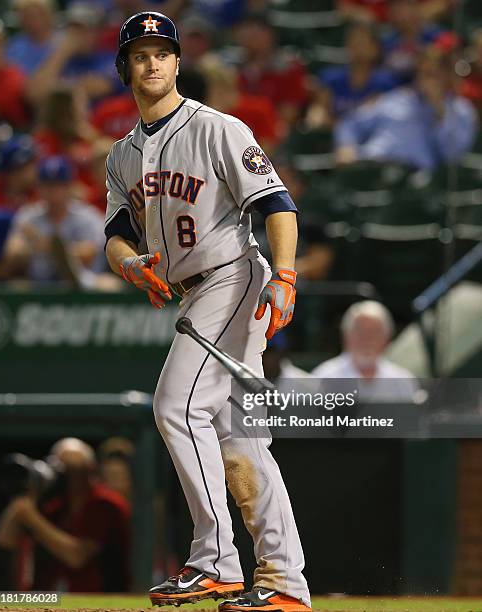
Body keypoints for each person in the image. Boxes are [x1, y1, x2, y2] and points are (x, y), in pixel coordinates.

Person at [104, 11, 311, 612]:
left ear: (176, 62)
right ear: (126, 68)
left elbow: (278, 203)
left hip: (233, 276)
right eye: (140, 53)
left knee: (176, 405)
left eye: (161, 52)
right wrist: (127, 263)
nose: (152, 62)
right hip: (194, 292)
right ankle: (284, 584)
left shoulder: (218, 127)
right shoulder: (121, 155)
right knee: (237, 438)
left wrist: (288, 274)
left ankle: (214, 560)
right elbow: (117, 231)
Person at [0, 437, 131, 591]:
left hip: (102, 598)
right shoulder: (55, 507)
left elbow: (77, 557)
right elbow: (4, 540)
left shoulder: (106, 503)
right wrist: (21, 503)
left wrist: (31, 517)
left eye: (72, 469)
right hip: (53, 599)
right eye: (59, 468)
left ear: (89, 469)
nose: (66, 476)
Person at [335, 46, 477, 169]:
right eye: (422, 73)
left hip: (413, 179)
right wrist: (346, 145)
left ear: (447, 76)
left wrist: (439, 111)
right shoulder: (396, 99)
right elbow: (350, 123)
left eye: (432, 74)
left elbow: (451, 158)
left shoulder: (461, 110)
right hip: (374, 163)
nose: (426, 80)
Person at [1, 155, 106, 287]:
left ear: (69, 187)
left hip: (83, 283)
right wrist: (24, 248)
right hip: (38, 283)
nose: (54, 192)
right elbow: (13, 253)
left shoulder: (88, 215)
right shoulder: (28, 215)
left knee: (108, 284)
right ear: (39, 188)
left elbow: (89, 253)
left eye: (59, 185)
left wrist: (46, 246)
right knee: (16, 286)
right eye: (48, 185)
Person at [311, 300, 419, 402]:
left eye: (375, 332)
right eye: (360, 331)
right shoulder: (323, 377)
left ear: (386, 339)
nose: (367, 339)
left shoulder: (403, 380)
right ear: (346, 336)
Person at [318, 22, 399, 117]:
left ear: (375, 49)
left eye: (362, 42)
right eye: (354, 42)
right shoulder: (331, 78)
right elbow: (321, 112)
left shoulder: (387, 82)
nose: (358, 47)